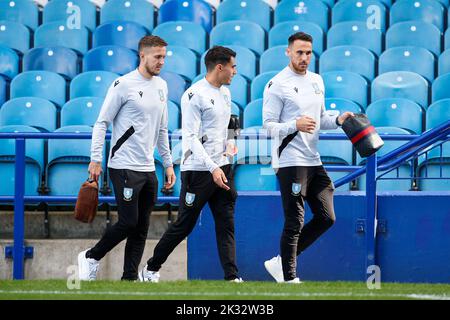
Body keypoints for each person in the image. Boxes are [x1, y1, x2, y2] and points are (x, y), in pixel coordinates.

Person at [139, 46, 243, 283]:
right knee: (184, 225)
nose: (235, 72)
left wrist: (230, 143)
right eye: (233, 66)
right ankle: (151, 268)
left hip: (223, 167)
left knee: (226, 223)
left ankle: (232, 277)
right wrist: (212, 167)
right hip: (198, 170)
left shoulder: (225, 94)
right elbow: (191, 138)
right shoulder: (194, 95)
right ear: (220, 67)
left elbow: (228, 125)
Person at [77, 35, 176, 281]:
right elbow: (101, 123)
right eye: (157, 57)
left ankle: (129, 278)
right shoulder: (123, 84)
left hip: (148, 168)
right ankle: (91, 256)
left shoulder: (162, 86)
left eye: (164, 57)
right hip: (122, 165)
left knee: (142, 227)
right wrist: (95, 159)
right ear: (142, 55)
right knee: (128, 222)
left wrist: (168, 163)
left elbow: (162, 129)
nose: (162, 62)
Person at [262, 32, 354, 283]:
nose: (304, 57)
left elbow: (320, 119)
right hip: (290, 160)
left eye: (308, 53)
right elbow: (268, 125)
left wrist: (337, 120)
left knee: (327, 217)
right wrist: (294, 124)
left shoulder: (316, 80)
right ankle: (289, 277)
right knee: (295, 220)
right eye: (299, 52)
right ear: (288, 52)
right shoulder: (276, 84)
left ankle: (281, 262)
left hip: (313, 160)